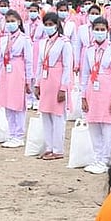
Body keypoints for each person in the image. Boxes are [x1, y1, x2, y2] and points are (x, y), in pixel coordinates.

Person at [76, 16, 111, 172]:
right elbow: (84, 74)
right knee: (93, 125)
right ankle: (97, 157)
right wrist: (83, 96)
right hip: (92, 90)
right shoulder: (89, 50)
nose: (99, 32)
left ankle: (106, 159)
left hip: (107, 90)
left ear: (108, 30)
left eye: (102, 29)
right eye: (96, 29)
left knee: (107, 126)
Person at [33, 12, 72, 159]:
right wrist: (37, 84)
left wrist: (63, 87)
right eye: (46, 25)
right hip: (45, 78)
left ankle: (58, 149)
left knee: (57, 116)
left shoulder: (64, 42)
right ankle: (49, 147)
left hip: (57, 79)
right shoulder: (43, 43)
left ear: (57, 25)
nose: (48, 27)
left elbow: (68, 66)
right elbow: (39, 64)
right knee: (45, 114)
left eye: (51, 24)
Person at [0, 10, 33, 147]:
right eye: (8, 21)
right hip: (6, 71)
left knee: (17, 104)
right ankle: (11, 134)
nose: (10, 24)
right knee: (7, 104)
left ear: (18, 22)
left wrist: (29, 80)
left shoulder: (24, 39)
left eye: (13, 21)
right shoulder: (4, 39)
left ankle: (19, 135)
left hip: (18, 70)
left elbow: (29, 61)